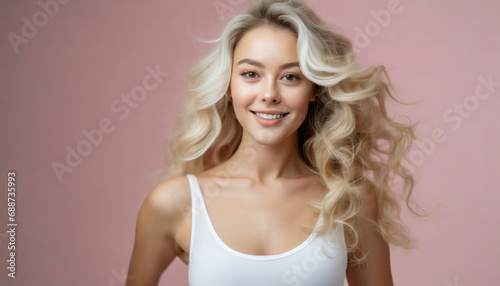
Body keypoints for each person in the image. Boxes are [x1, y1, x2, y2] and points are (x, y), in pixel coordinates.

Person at [126, 0, 429, 285]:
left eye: (290, 77)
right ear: (229, 86)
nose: (269, 93)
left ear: (315, 89)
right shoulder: (175, 203)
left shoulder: (350, 200)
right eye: (250, 74)